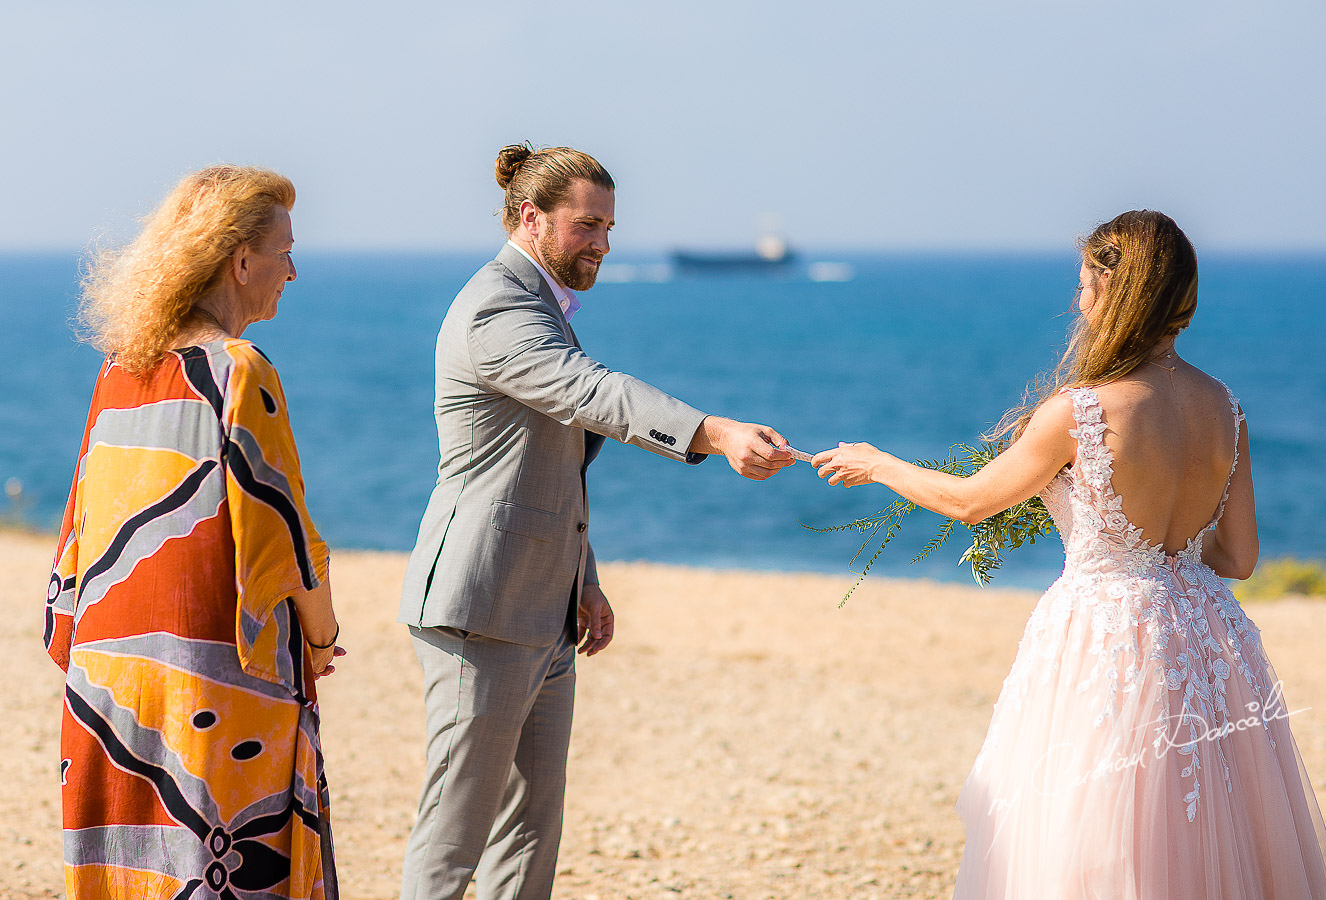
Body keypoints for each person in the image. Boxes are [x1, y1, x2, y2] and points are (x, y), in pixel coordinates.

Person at [814, 211, 1326, 897]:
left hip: (1108, 637)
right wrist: (1167, 562)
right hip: (1213, 640)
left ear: (1114, 288)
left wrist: (876, 462)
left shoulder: (1082, 410)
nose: (1078, 300)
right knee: (1213, 825)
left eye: (1085, 282)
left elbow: (974, 502)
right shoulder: (1225, 407)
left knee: (1095, 830)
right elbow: (1240, 558)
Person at [398, 143, 795, 900]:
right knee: (453, 837)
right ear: (531, 217)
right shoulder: (496, 307)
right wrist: (711, 431)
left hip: (543, 607)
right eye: (587, 227)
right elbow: (592, 393)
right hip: (478, 608)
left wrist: (586, 580)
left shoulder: (541, 306)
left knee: (530, 829)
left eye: (609, 228)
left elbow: (548, 469)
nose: (604, 246)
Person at [45, 166, 342, 899]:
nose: (293, 270)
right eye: (284, 252)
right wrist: (322, 637)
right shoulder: (240, 371)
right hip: (210, 682)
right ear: (241, 261)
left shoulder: (120, 369)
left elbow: (79, 537)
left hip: (109, 684)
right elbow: (284, 539)